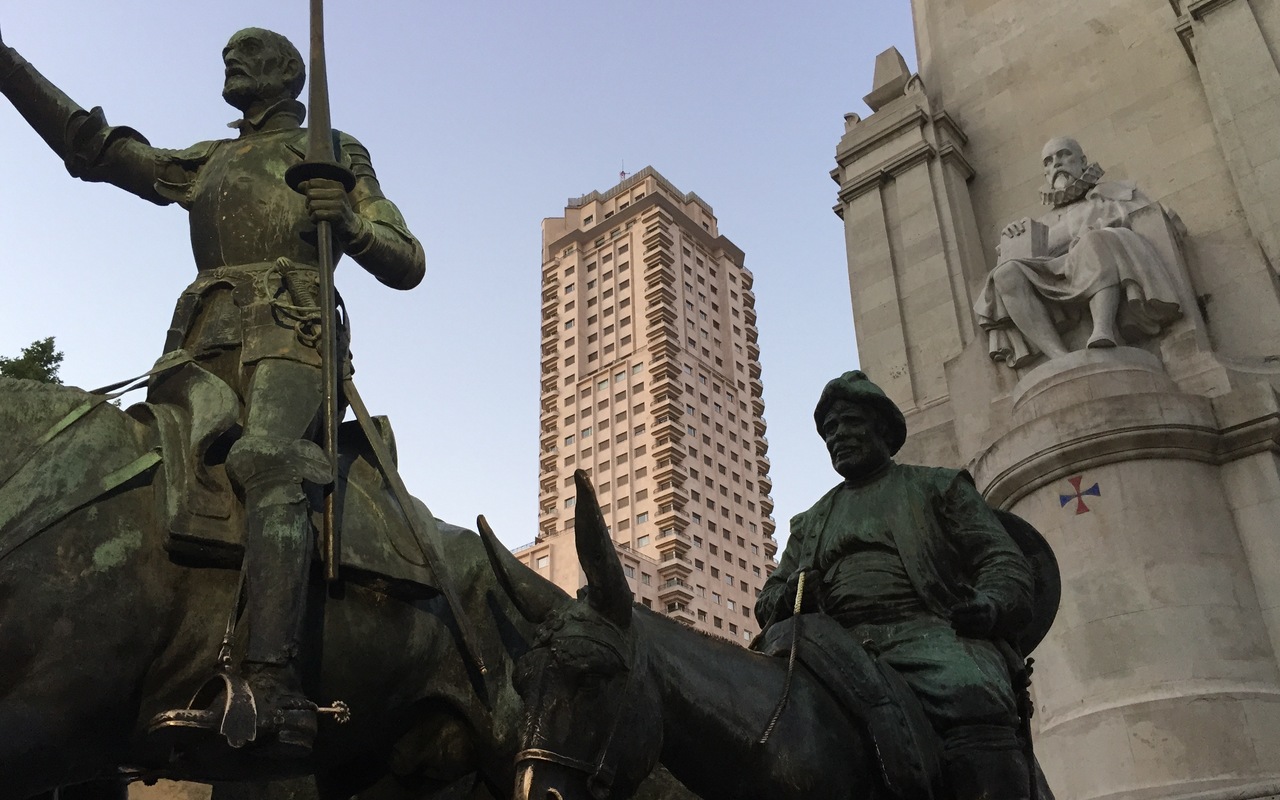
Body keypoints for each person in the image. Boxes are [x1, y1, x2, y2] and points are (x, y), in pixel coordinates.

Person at [0, 27, 425, 755]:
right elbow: (98, 150)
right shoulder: (210, 159)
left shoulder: (334, 148)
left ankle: (273, 684)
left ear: (287, 71)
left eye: (248, 51)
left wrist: (350, 222)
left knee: (267, 459)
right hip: (201, 341)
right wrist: (8, 65)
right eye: (229, 51)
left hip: (293, 336)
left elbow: (407, 260)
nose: (230, 57)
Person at [755, 371, 1035, 800]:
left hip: (928, 632)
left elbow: (1002, 560)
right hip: (832, 645)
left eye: (850, 422)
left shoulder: (937, 486)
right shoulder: (810, 522)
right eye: (830, 429)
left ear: (882, 430)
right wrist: (793, 595)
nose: (837, 436)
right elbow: (768, 599)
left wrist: (992, 603)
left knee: (972, 690)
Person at [974, 136, 1182, 367]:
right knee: (1005, 273)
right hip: (1056, 271)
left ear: (1083, 162)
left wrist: (1102, 224)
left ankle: (1103, 330)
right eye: (1049, 161)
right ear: (1046, 175)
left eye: (1064, 155)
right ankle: (1059, 357)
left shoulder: (1114, 194)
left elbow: (1152, 215)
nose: (1056, 163)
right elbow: (1028, 260)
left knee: (1093, 240)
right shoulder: (1042, 224)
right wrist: (1012, 240)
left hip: (1100, 252)